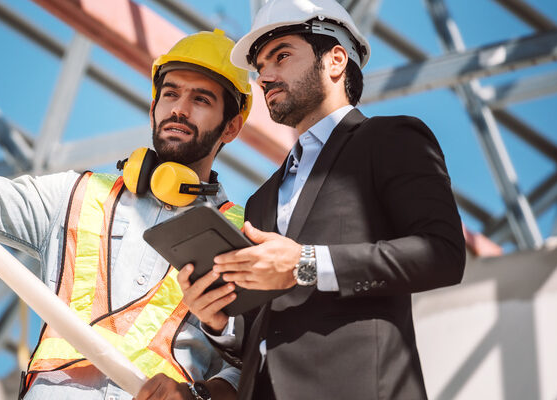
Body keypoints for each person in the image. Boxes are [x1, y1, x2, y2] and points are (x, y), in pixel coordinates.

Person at [0, 22, 253, 400]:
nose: (178, 109)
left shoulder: (242, 234)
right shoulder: (76, 193)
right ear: (153, 107)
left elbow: (253, 368)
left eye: (201, 100)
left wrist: (200, 396)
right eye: (170, 93)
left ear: (231, 127)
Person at [178, 1, 466, 399]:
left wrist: (305, 264)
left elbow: (444, 254)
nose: (265, 76)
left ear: (335, 60)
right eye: (260, 66)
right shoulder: (262, 198)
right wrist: (219, 322)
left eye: (281, 56)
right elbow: (261, 339)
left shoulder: (390, 139)